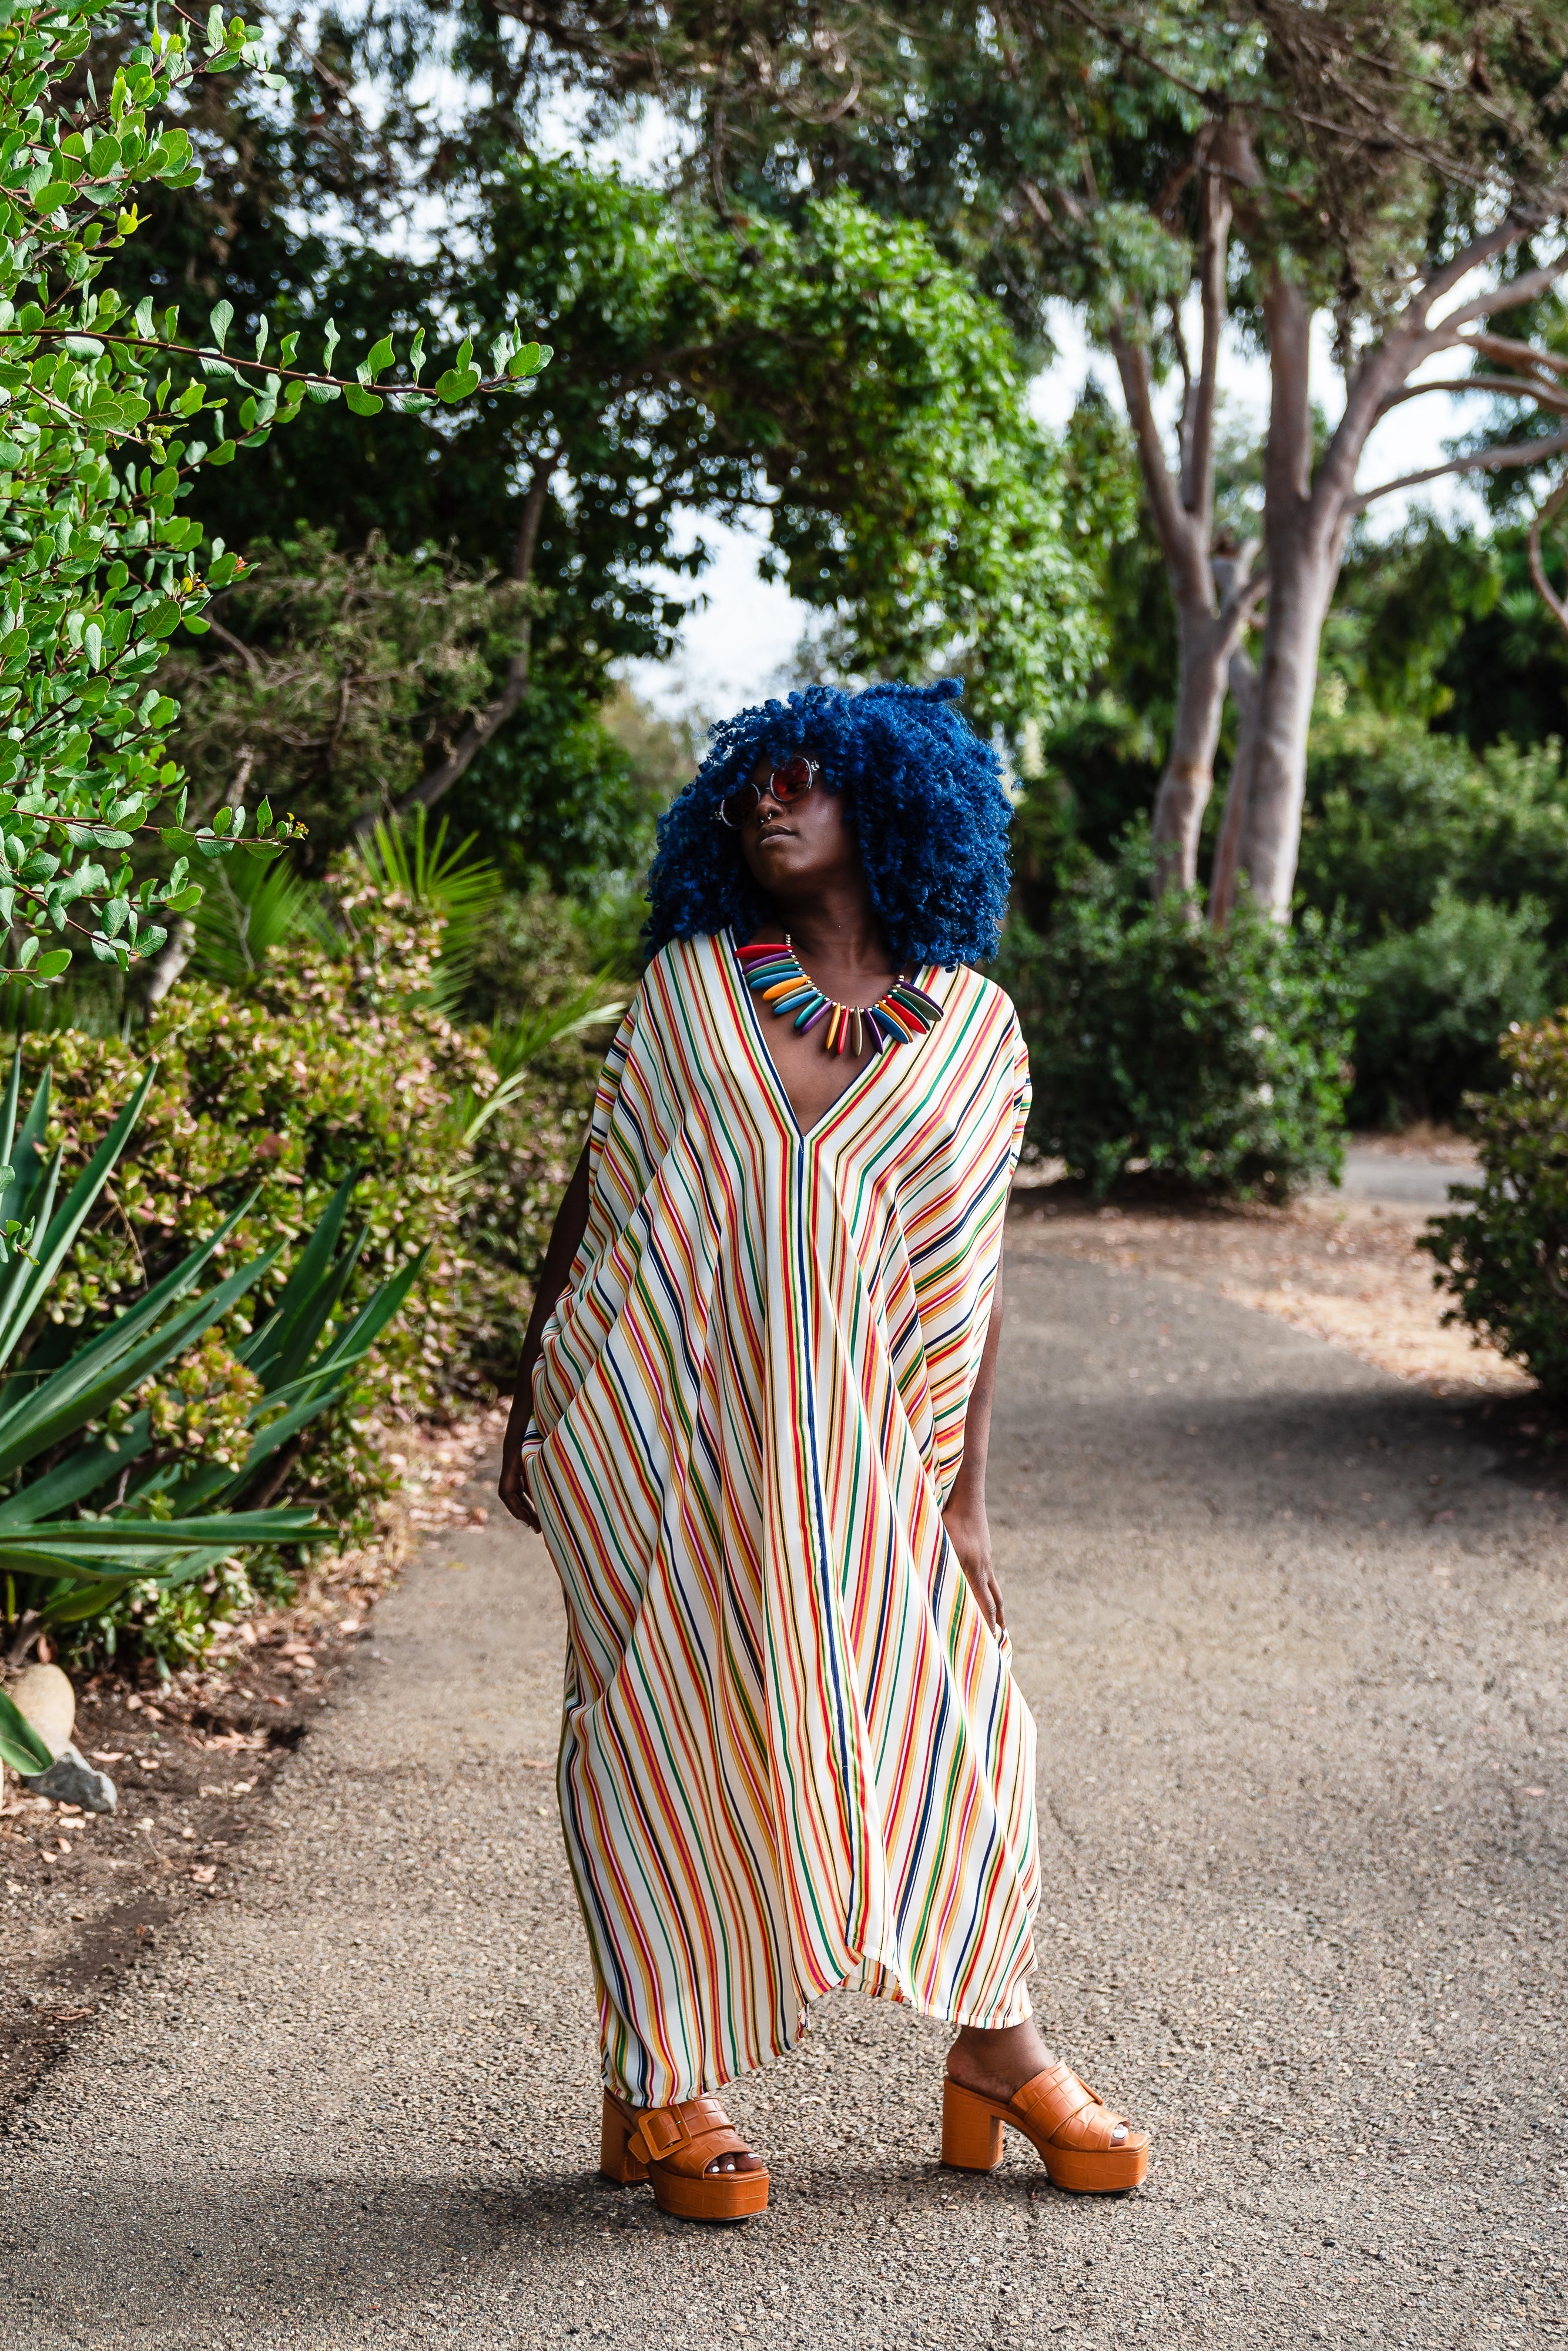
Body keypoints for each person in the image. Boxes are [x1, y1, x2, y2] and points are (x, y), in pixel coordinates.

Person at [498, 679, 1148, 2221]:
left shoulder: (975, 1030)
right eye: (751, 786)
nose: (768, 803)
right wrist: (533, 1404)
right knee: (660, 1733)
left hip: (874, 1461)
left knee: (967, 1731)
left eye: (804, 779)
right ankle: (663, 2078)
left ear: (891, 800)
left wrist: (967, 1508)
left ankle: (994, 2045)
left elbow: (975, 1283)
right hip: (664, 1437)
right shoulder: (688, 990)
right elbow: (597, 1199)